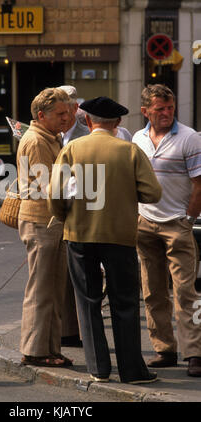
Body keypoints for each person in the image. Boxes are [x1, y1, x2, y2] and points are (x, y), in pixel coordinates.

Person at [48, 96, 162, 384]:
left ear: (87, 121)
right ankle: (132, 371)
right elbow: (153, 194)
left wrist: (66, 216)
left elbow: (55, 195)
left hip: (80, 234)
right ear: (118, 123)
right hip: (120, 236)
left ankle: (98, 369)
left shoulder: (72, 149)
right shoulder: (130, 151)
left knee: (88, 301)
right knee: (124, 302)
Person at [132, 84, 201, 376]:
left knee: (186, 291)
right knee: (152, 291)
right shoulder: (137, 139)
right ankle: (164, 349)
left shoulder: (190, 138)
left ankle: (195, 353)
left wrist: (188, 218)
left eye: (170, 107)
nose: (166, 113)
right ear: (145, 111)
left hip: (176, 223)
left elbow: (199, 184)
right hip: (144, 223)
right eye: (160, 109)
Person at [17, 87, 73, 367]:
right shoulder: (38, 140)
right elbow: (47, 185)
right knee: (42, 289)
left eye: (68, 112)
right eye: (60, 113)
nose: (67, 117)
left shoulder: (49, 136)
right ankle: (36, 351)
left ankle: (48, 348)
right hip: (42, 221)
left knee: (52, 288)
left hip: (49, 221)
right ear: (42, 115)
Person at [58, 85, 89, 347]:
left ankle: (80, 333)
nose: (62, 117)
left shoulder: (84, 135)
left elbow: (84, 180)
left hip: (75, 210)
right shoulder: (51, 133)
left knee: (79, 276)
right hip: (57, 210)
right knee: (61, 276)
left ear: (75, 109)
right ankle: (66, 330)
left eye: (65, 111)